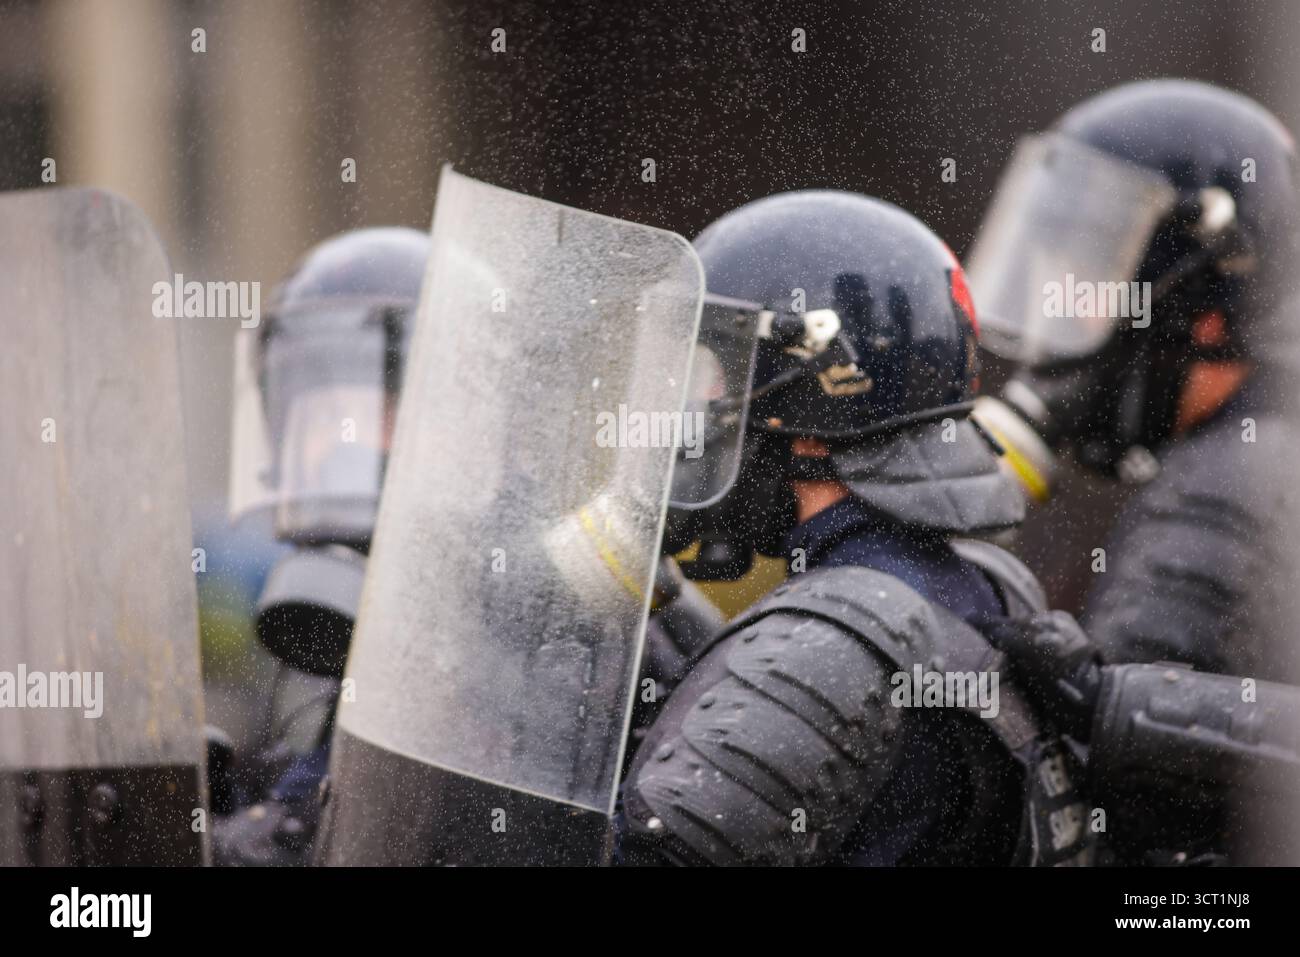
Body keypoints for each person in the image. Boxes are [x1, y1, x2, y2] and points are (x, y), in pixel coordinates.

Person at [618, 190, 1098, 866]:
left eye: (716, 373)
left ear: (814, 390)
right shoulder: (982, 587)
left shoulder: (820, 647)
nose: (697, 410)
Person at [966, 79, 1300, 685]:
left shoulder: (1225, 490)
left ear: (1204, 306)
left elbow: (1130, 771)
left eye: (1081, 285)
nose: (1053, 325)